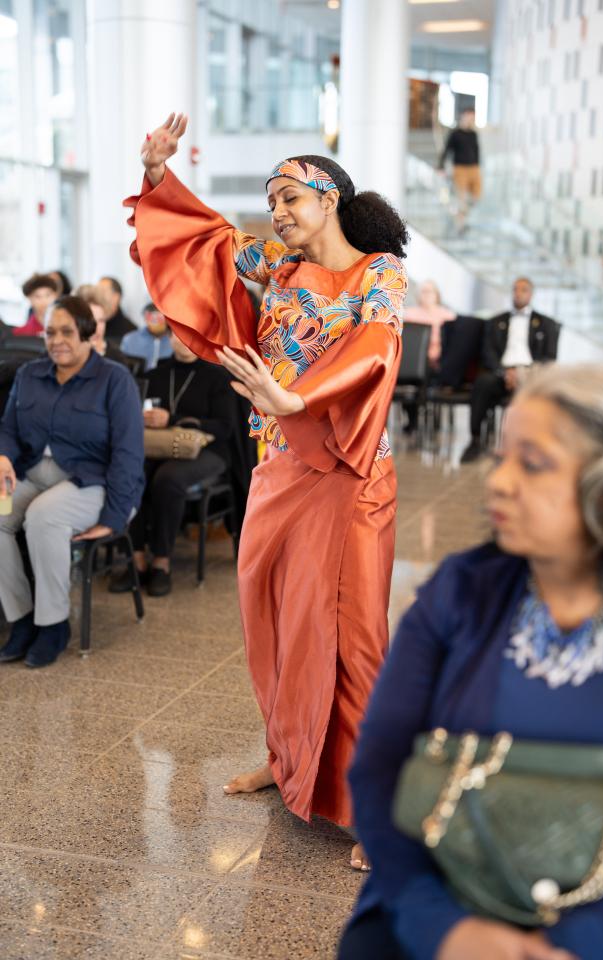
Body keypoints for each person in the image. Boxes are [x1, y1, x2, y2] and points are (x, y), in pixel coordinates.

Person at [125, 113, 408, 862]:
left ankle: (373, 805)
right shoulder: (276, 268)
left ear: (330, 199)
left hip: (348, 475)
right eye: (271, 199)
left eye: (290, 198)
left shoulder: (378, 270)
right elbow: (205, 241)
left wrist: (297, 399)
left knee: (352, 639)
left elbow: (380, 343)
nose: (277, 212)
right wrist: (158, 175)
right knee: (276, 623)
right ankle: (289, 765)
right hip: (277, 471)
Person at [340, 363, 603, 960]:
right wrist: (445, 929)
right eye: (502, 457)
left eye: (533, 463)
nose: (498, 481)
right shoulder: (460, 594)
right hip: (443, 906)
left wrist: (585, 941)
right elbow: (377, 774)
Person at [0, 296, 144, 668]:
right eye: (50, 332)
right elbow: (9, 431)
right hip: (34, 473)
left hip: (93, 482)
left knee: (44, 516)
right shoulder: (30, 374)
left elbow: (129, 454)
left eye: (66, 331)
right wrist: (3, 455)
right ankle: (20, 620)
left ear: (87, 333)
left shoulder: (115, 379)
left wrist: (115, 517)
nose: (56, 340)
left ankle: (53, 625)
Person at [109, 330, 235, 597]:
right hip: (161, 447)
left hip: (208, 450)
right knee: (132, 472)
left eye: (191, 335)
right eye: (178, 335)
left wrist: (172, 419)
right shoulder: (154, 375)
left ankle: (162, 562)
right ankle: (137, 558)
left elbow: (225, 427)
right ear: (169, 339)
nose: (184, 341)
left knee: (168, 479)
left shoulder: (217, 376)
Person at [461, 277, 559, 463]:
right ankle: (475, 440)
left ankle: (521, 445)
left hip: (530, 374)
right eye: (515, 289)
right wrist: (504, 372)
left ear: (531, 294)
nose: (518, 293)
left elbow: (549, 358)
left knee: (530, 389)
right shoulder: (496, 321)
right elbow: (487, 352)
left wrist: (521, 373)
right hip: (501, 373)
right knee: (482, 383)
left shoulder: (546, 324)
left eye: (523, 290)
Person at [437, 109, 482, 224]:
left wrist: (478, 166)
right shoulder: (455, 134)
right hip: (460, 168)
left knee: (477, 194)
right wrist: (441, 166)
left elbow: (477, 151)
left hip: (474, 168)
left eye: (473, 118)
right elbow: (446, 150)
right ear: (463, 116)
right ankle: (460, 223)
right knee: (461, 197)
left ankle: (463, 215)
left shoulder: (473, 134)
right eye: (469, 117)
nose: (471, 120)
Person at [73, 283, 133, 369]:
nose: (97, 328)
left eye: (101, 321)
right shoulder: (66, 355)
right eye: (90, 321)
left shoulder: (116, 358)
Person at [121, 302, 173, 371]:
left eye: (159, 318)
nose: (155, 323)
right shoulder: (130, 340)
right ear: (145, 319)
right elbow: (122, 365)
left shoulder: (176, 340)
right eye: (151, 319)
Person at [96, 276, 136, 344]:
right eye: (96, 291)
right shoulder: (89, 325)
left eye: (102, 291)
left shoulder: (131, 332)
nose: (97, 296)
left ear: (116, 298)